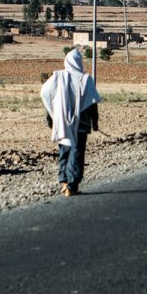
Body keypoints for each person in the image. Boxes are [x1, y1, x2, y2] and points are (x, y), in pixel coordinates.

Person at [41, 48, 102, 197]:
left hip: (62, 122)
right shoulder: (86, 79)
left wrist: (51, 118)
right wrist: (95, 122)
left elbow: (47, 94)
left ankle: (63, 181)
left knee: (64, 151)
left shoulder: (57, 78)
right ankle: (72, 184)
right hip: (82, 123)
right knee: (77, 152)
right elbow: (93, 103)